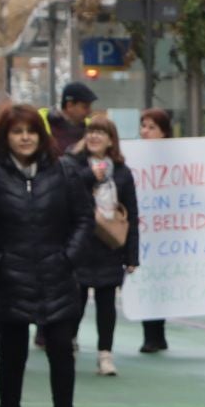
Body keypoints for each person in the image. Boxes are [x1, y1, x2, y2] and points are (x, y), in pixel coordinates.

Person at [0, 104, 94, 407]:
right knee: (12, 356)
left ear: (41, 136)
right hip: (9, 279)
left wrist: (68, 257)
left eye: (30, 131)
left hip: (57, 277)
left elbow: (84, 220)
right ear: (5, 137)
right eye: (17, 131)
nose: (24, 137)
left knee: (61, 350)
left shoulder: (65, 172)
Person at [66, 117, 140, 377]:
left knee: (107, 304)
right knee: (75, 300)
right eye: (91, 132)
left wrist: (132, 255)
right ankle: (69, 344)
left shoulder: (122, 172)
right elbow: (64, 193)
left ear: (111, 139)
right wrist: (89, 176)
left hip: (110, 246)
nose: (95, 137)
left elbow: (131, 213)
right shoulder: (71, 164)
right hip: (79, 243)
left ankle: (105, 354)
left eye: (101, 132)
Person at [136, 107, 175, 353]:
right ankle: (151, 334)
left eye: (151, 127)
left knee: (162, 282)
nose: (145, 131)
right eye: (143, 126)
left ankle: (157, 333)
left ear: (163, 132)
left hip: (169, 232)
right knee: (146, 280)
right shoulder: (133, 157)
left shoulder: (175, 158)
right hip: (144, 230)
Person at [41, 81, 98, 154]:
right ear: (69, 105)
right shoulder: (41, 124)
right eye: (85, 107)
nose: (90, 111)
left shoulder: (89, 128)